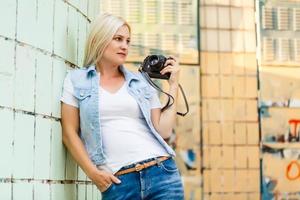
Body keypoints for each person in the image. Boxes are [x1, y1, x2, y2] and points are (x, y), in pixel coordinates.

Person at [60, 13, 184, 200]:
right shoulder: (77, 81)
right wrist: (93, 174)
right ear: (100, 39)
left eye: (127, 41)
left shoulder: (141, 82)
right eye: (118, 39)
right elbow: (69, 133)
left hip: (162, 174)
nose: (125, 46)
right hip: (119, 183)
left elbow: (164, 130)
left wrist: (173, 86)